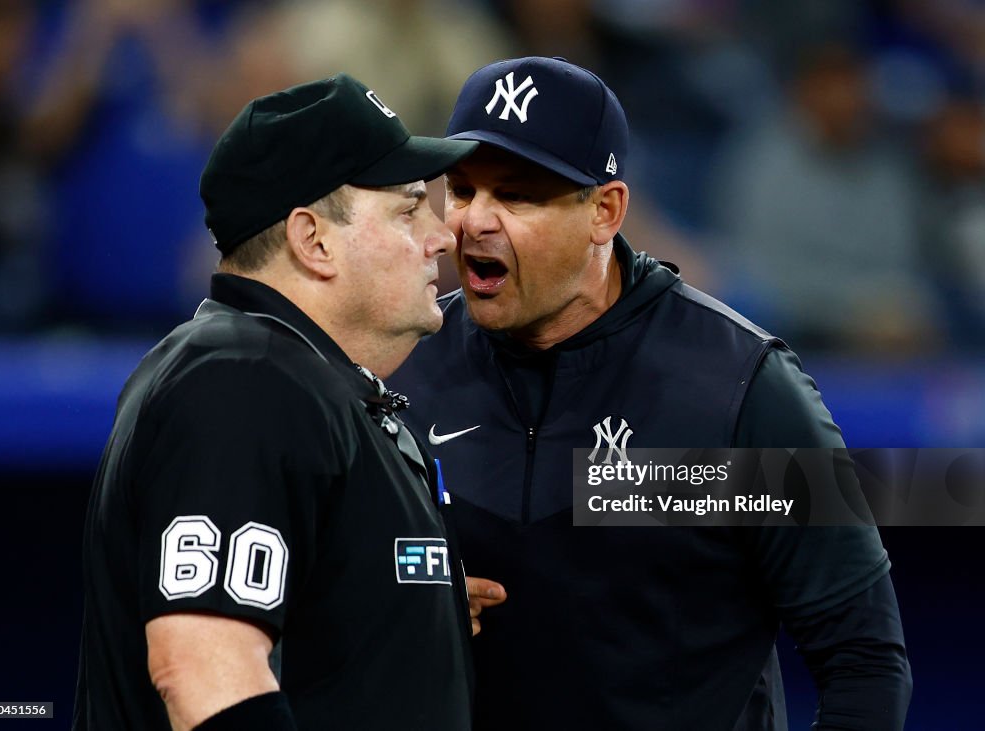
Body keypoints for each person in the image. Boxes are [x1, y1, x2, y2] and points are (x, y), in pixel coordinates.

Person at [389, 57, 912, 730]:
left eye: (516, 196)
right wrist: (395, 601)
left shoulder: (741, 385)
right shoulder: (403, 368)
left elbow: (864, 660)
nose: (472, 223)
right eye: (461, 191)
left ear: (604, 211)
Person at [73, 74, 479, 731]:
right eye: (409, 209)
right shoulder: (243, 379)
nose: (442, 237)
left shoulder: (313, 383)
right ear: (313, 239)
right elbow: (205, 670)